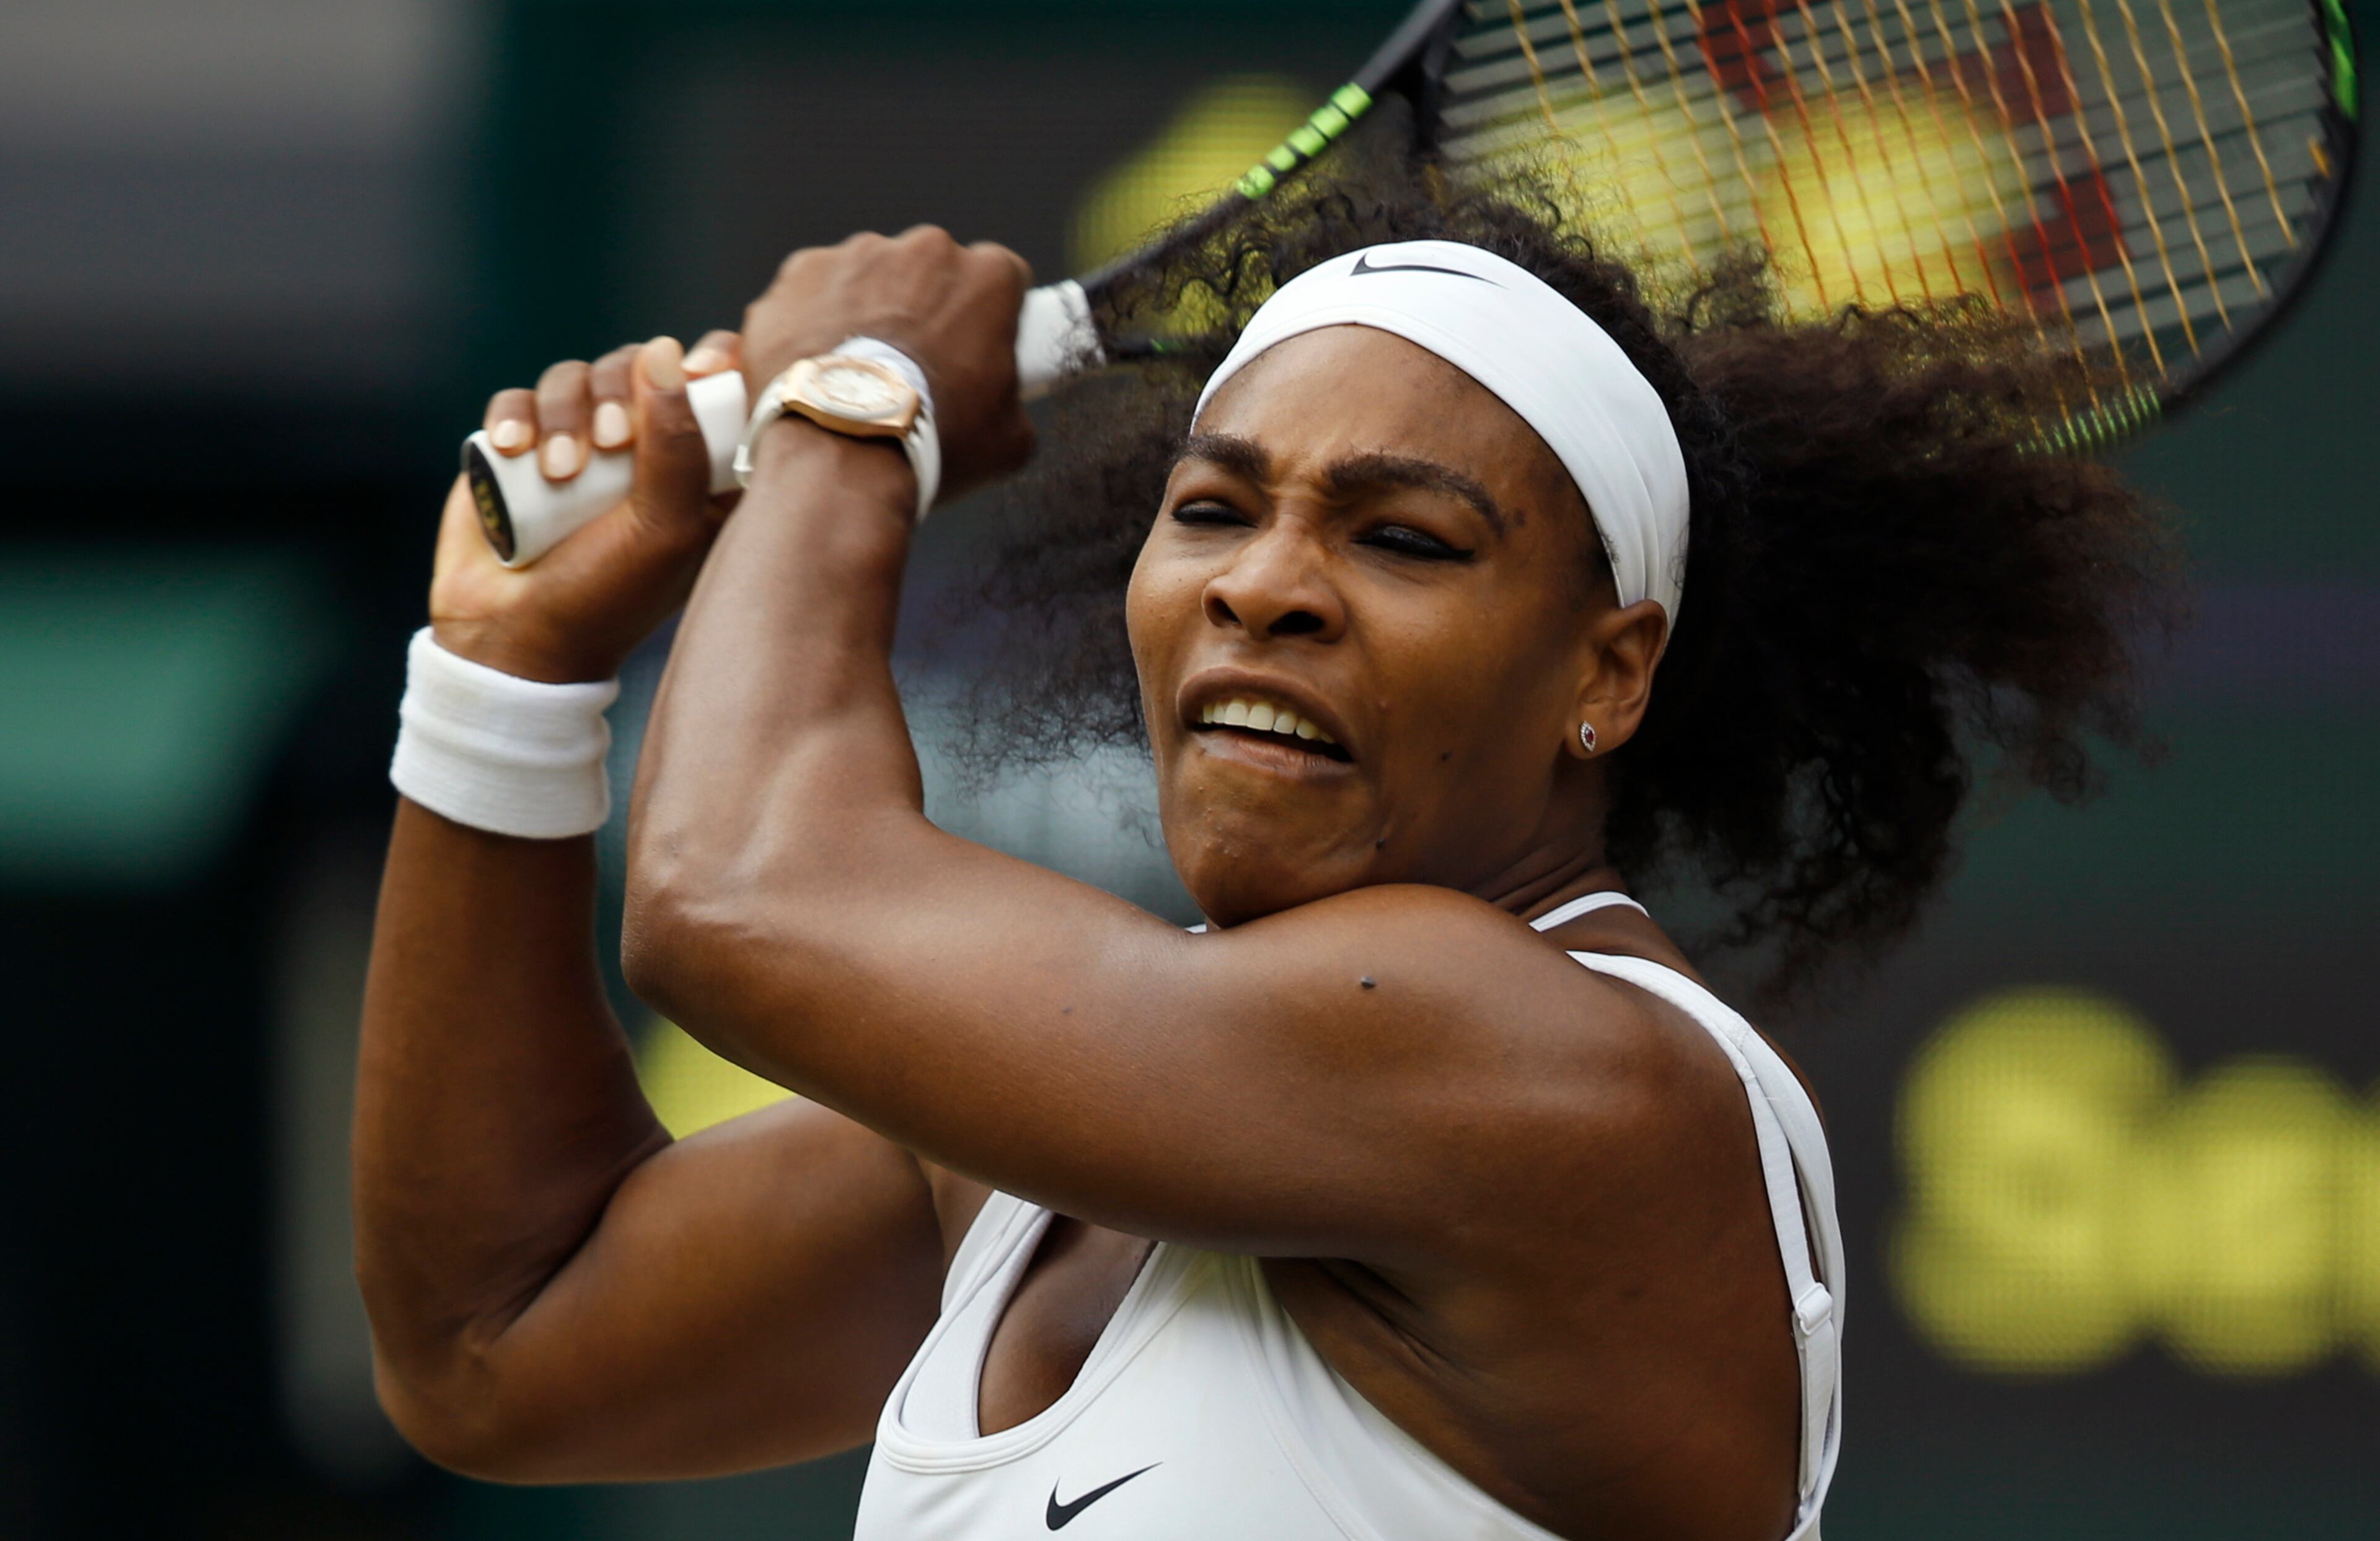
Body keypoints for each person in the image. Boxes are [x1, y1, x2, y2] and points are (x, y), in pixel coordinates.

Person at [355, 174, 2170, 1541]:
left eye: (1404, 537)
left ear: (1608, 672)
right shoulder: (1067, 1143)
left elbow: (736, 897)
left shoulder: (1549, 1066)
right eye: (1213, 508)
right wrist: (506, 679)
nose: (1263, 583)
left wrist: (858, 404)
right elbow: (496, 1339)